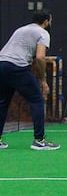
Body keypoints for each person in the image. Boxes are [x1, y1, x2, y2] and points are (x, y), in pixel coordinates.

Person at [0, 10, 60, 150]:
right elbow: (39, 57)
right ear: (45, 22)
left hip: (1, 64)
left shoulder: (20, 29)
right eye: (50, 21)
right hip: (18, 67)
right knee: (37, 100)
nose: (50, 23)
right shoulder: (43, 33)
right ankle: (39, 140)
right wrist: (43, 81)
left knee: (2, 102)